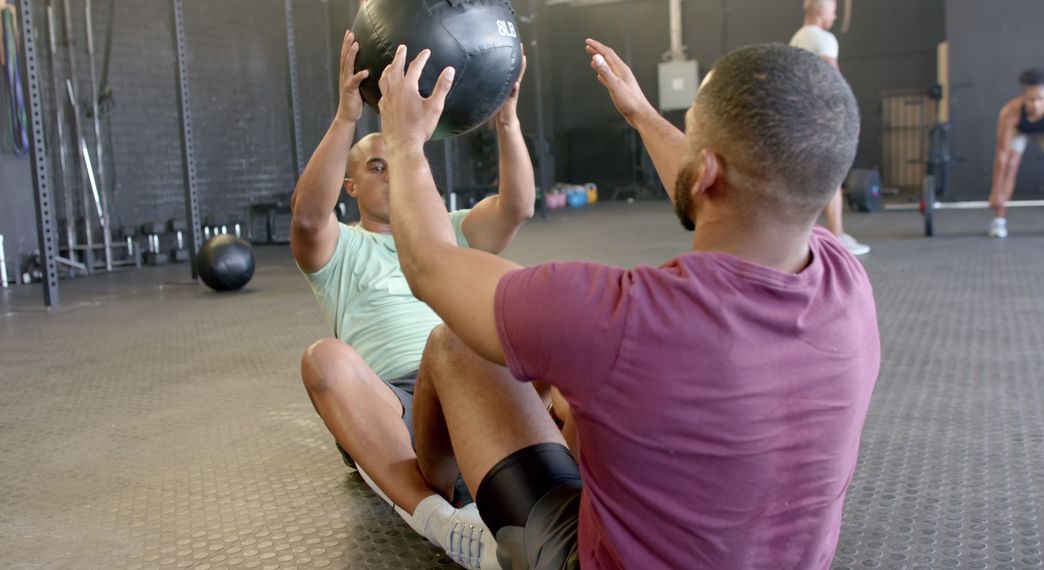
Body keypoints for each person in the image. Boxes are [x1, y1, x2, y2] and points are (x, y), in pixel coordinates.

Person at [376, 38, 881, 569]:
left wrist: (404, 143)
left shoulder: (624, 318)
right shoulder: (847, 283)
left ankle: (437, 504)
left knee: (458, 347)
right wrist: (641, 115)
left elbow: (431, 266)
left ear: (704, 171)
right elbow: (720, 185)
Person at [289, 30, 534, 569]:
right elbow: (308, 217)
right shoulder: (341, 248)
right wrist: (346, 116)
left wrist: (508, 120)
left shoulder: (446, 229)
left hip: (467, 379)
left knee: (536, 322)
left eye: (399, 161)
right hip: (392, 402)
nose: (392, 171)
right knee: (323, 360)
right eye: (377, 167)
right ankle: (441, 521)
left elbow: (517, 207)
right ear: (350, 187)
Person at [790, 0, 871, 256]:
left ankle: (801, 238)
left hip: (798, 118)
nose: (835, 16)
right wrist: (850, 117)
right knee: (832, 174)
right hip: (821, 118)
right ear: (820, 10)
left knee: (804, 178)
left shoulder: (797, 39)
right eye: (832, 10)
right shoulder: (824, 38)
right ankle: (836, 237)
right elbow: (835, 82)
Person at [988, 68, 1044, 238]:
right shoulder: (1010, 112)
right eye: (1031, 100)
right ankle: (999, 220)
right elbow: (1001, 156)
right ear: (1023, 97)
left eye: (1040, 99)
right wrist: (995, 191)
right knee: (1011, 162)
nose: (1036, 105)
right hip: (1020, 130)